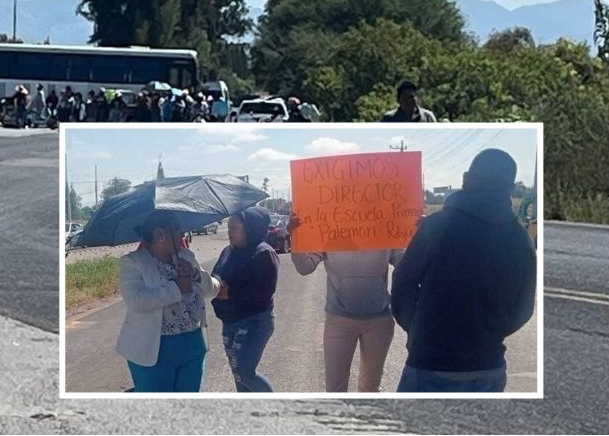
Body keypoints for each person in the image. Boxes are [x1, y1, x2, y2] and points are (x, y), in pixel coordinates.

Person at [392, 149, 536, 392]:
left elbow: (402, 284)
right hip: (488, 367)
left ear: (466, 179)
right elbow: (524, 309)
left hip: (429, 363)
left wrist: (417, 330)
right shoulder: (521, 239)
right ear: (511, 189)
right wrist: (490, 334)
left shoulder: (437, 226)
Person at [289, 215, 404, 392]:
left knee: (370, 389)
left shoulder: (386, 229)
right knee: (335, 389)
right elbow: (305, 267)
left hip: (378, 321)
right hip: (339, 321)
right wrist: (295, 237)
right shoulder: (328, 231)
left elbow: (405, 264)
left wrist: (420, 236)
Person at [116, 211, 221, 392]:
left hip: (194, 343)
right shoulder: (134, 262)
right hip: (153, 350)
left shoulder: (187, 256)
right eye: (178, 230)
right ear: (160, 234)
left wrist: (196, 274)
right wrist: (176, 288)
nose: (182, 235)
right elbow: (136, 300)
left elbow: (213, 289)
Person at [210, 207, 279, 392]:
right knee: (238, 376)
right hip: (230, 321)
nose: (229, 232)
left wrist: (231, 292)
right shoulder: (228, 251)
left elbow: (265, 289)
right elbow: (216, 274)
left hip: (254, 323)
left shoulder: (263, 253)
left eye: (234, 227)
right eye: (229, 227)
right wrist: (214, 285)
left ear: (250, 228)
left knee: (245, 372)